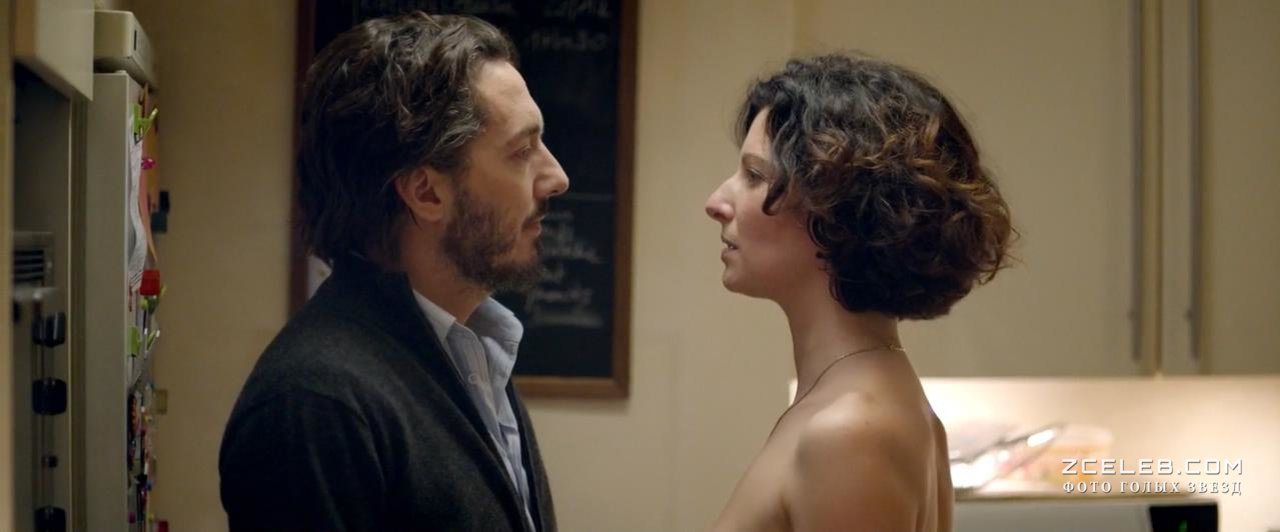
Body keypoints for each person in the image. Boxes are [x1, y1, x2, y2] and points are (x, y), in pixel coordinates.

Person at [219, 12, 567, 532]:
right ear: (426, 192)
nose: (557, 177)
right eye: (522, 151)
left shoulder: (470, 348)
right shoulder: (315, 406)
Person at [704, 54, 1013, 532]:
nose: (716, 202)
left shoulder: (849, 432)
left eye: (755, 175)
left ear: (837, 208)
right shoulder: (866, 399)